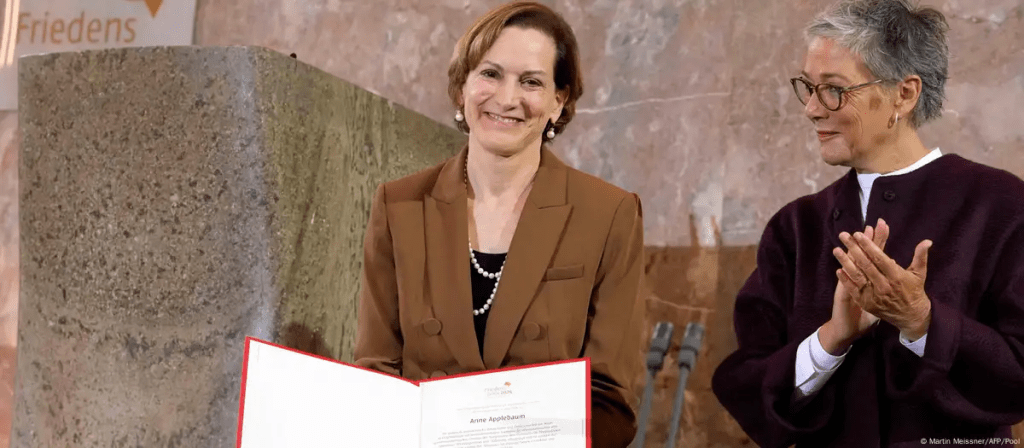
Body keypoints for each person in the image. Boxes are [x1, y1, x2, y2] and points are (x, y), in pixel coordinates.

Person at [712, 0, 1024, 447]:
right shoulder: (796, 227)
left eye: (833, 90)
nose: (811, 109)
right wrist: (829, 340)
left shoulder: (1001, 205)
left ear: (905, 94)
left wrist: (922, 321)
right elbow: (747, 386)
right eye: (808, 87)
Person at [353, 2, 645, 446]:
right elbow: (376, 373)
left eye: (531, 82)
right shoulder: (399, 205)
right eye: (490, 74)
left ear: (558, 101)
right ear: (462, 87)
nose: (507, 99)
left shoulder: (608, 213)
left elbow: (609, 400)